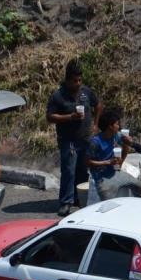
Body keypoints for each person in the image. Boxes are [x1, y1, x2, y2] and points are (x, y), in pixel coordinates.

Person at [47, 59, 103, 216]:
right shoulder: (58, 96)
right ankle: (66, 202)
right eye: (74, 80)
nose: (78, 83)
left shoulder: (86, 92)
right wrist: (70, 117)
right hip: (68, 140)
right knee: (69, 171)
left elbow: (98, 105)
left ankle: (79, 198)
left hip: (85, 138)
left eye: (80, 80)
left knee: (82, 170)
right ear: (67, 79)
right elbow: (50, 117)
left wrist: (96, 124)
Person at [86, 109, 132, 201]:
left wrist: (127, 144)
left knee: (140, 188)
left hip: (115, 173)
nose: (119, 126)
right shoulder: (95, 142)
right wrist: (108, 162)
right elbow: (87, 162)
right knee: (109, 204)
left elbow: (125, 146)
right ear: (110, 126)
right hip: (101, 178)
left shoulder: (116, 135)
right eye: (117, 124)